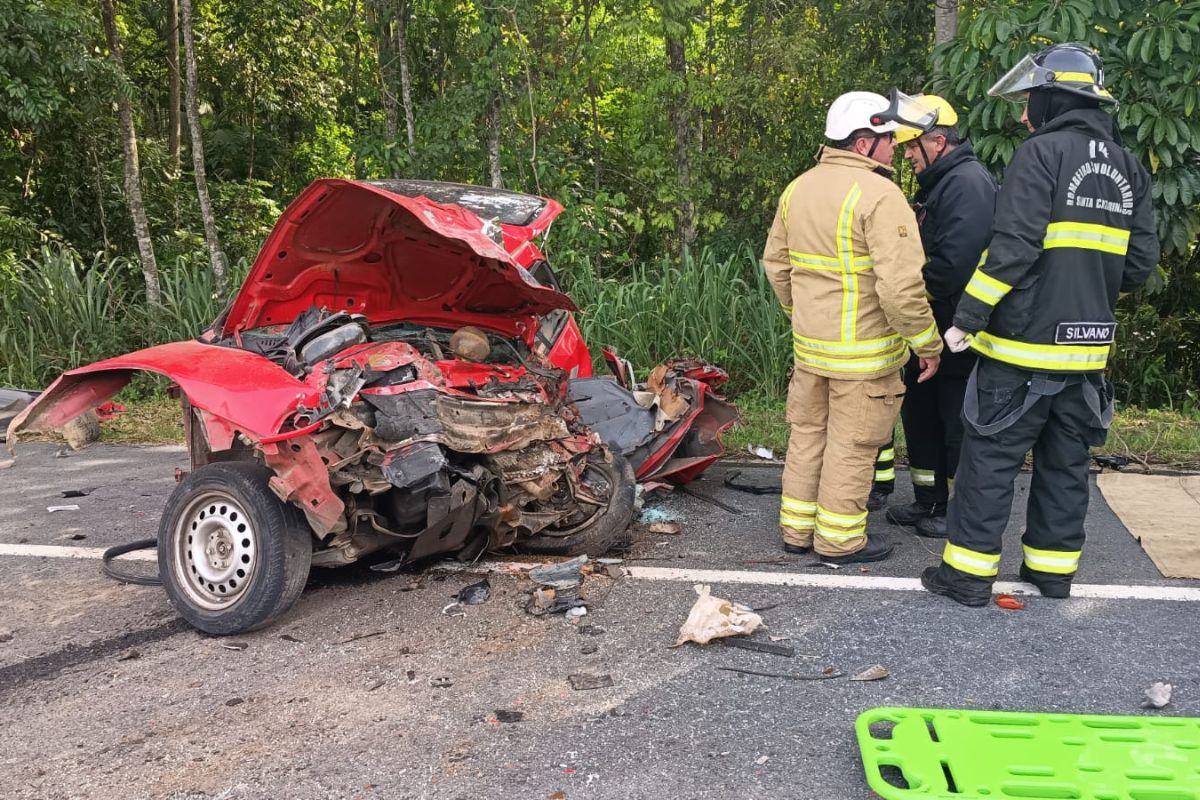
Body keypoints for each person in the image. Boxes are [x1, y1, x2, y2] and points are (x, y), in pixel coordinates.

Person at [922, 43, 1159, 605]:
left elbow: (1013, 247)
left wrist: (967, 319)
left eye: (1031, 100)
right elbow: (1139, 268)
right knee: (1065, 466)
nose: (1025, 114)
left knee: (989, 461)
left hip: (1022, 350)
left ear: (1054, 97)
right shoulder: (1128, 168)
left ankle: (967, 578)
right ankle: (1052, 574)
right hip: (1088, 353)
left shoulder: (1041, 154)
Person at [763, 91, 942, 565]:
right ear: (864, 143)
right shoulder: (881, 194)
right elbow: (902, 286)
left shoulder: (797, 189)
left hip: (811, 351)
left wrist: (799, 318)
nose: (894, 148)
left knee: (808, 436)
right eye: (889, 139)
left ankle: (796, 532)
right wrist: (926, 342)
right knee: (852, 445)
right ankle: (840, 541)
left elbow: (777, 266)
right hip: (864, 357)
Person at [884, 95, 996, 539]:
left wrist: (905, 292)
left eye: (912, 146)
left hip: (957, 330)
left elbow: (954, 265)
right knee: (921, 414)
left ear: (938, 141)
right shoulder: (941, 183)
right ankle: (929, 501)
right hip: (930, 327)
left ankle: (957, 510)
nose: (907, 154)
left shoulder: (967, 183)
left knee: (955, 422)